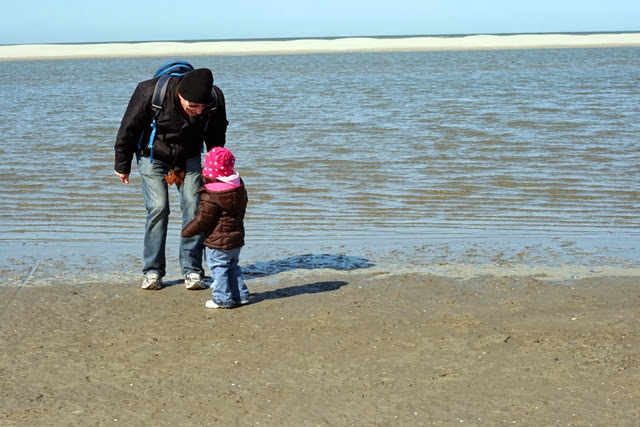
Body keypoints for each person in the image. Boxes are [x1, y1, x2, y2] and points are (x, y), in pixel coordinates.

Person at [114, 68, 228, 290]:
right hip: (152, 154)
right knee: (158, 207)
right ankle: (153, 271)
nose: (198, 111)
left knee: (195, 207)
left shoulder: (214, 99)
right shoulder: (148, 92)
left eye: (202, 107)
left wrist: (217, 167)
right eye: (193, 106)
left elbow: (216, 134)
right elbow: (128, 128)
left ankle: (192, 270)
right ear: (180, 95)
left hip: (189, 155)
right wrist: (122, 164)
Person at [182, 146, 249, 308]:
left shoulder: (211, 195)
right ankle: (240, 296)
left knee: (218, 268)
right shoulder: (238, 187)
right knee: (232, 266)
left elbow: (202, 220)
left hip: (217, 241)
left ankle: (222, 298)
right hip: (236, 238)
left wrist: (187, 231)